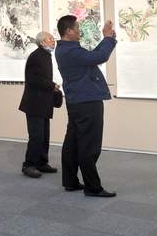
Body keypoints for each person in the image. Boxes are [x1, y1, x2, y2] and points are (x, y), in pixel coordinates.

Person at [55, 16, 117, 198]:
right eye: (77, 27)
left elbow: (92, 58)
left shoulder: (67, 49)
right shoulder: (70, 51)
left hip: (77, 101)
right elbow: (100, 56)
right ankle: (92, 187)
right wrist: (108, 38)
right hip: (87, 102)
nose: (79, 30)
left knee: (73, 143)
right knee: (89, 145)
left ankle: (70, 181)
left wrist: (106, 40)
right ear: (69, 31)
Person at [19, 32, 59, 179]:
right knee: (36, 136)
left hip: (44, 103)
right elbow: (33, 79)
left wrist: (51, 86)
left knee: (44, 136)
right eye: (50, 39)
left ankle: (42, 162)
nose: (53, 41)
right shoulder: (36, 56)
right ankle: (28, 165)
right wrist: (52, 85)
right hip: (34, 103)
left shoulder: (46, 56)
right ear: (42, 42)